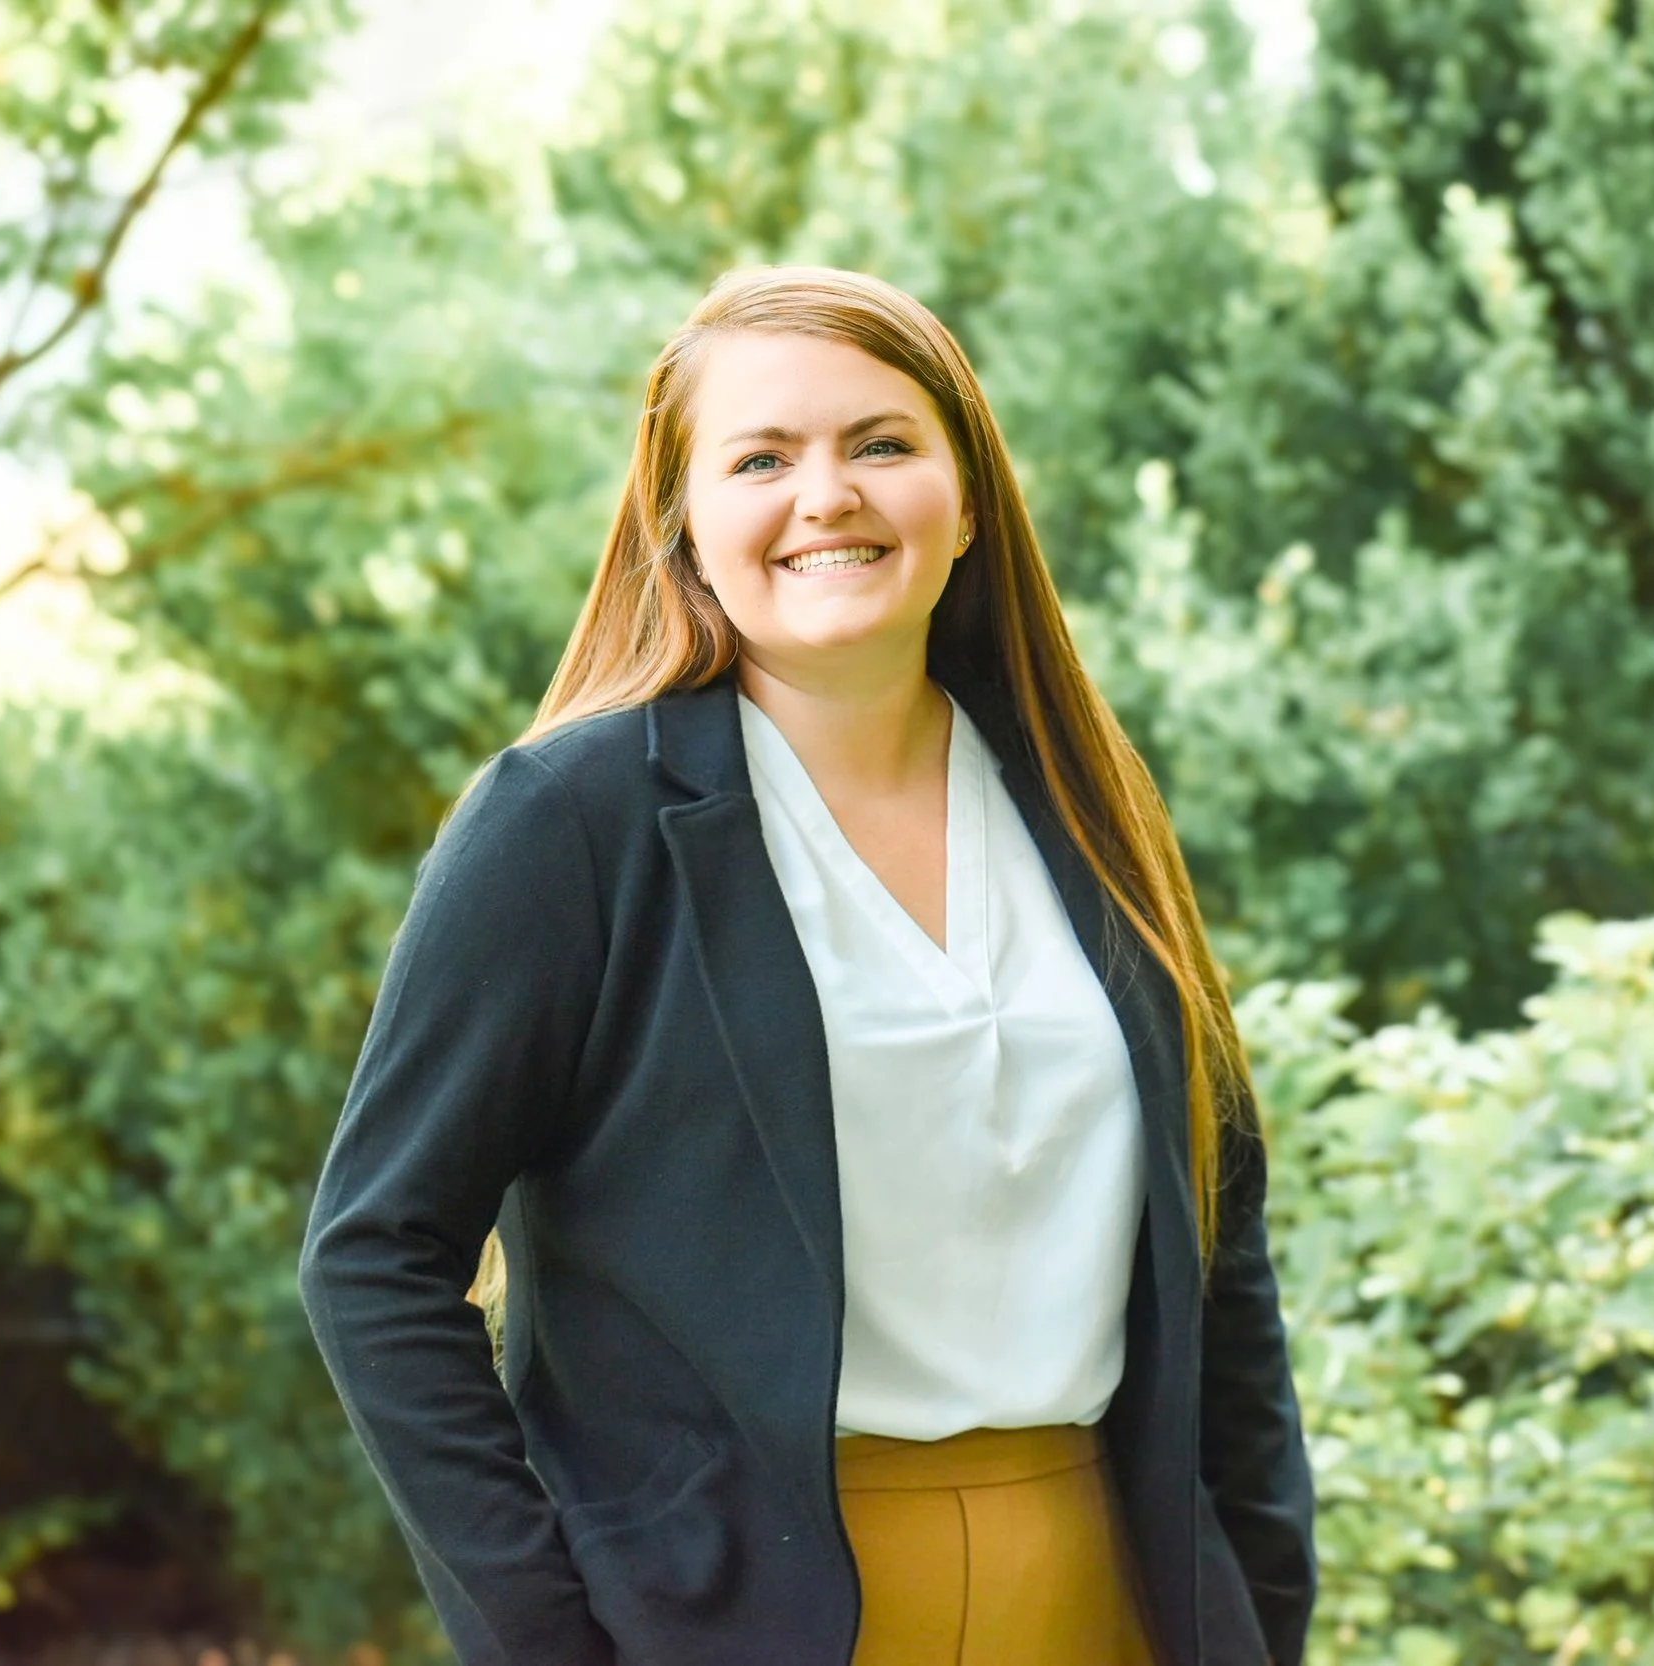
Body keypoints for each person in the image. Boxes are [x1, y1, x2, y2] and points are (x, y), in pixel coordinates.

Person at [297, 265, 1315, 1666]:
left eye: (882, 444)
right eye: (762, 457)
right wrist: (546, 1633)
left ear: (967, 502)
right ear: (686, 526)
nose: (825, 494)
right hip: (735, 1613)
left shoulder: (1087, 802)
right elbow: (375, 1252)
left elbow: (1220, 1226)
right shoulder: (570, 825)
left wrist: (1259, 1606)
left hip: (1113, 1588)